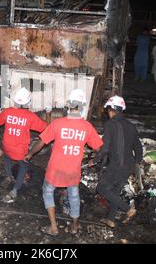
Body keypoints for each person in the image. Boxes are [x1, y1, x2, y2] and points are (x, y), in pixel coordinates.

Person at [25, 89, 103, 236]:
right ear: (81, 107)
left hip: (55, 168)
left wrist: (30, 154)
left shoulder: (58, 123)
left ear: (68, 105)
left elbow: (41, 142)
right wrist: (96, 159)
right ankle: (74, 226)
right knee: (73, 195)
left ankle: (54, 227)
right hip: (73, 170)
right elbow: (100, 148)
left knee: (48, 192)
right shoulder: (87, 127)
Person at [88, 95, 143, 228]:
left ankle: (128, 209)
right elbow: (138, 147)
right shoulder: (131, 126)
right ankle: (111, 219)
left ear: (112, 110)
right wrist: (136, 163)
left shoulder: (110, 124)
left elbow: (105, 148)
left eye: (108, 110)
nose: (107, 113)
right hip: (128, 164)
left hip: (117, 165)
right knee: (115, 191)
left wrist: (94, 160)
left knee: (101, 188)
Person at [0, 87, 51, 203]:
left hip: (6, 146)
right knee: (23, 167)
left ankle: (9, 176)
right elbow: (48, 129)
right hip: (20, 152)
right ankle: (14, 190)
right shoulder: (30, 116)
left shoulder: (8, 111)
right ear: (28, 103)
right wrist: (48, 114)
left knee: (7, 158)